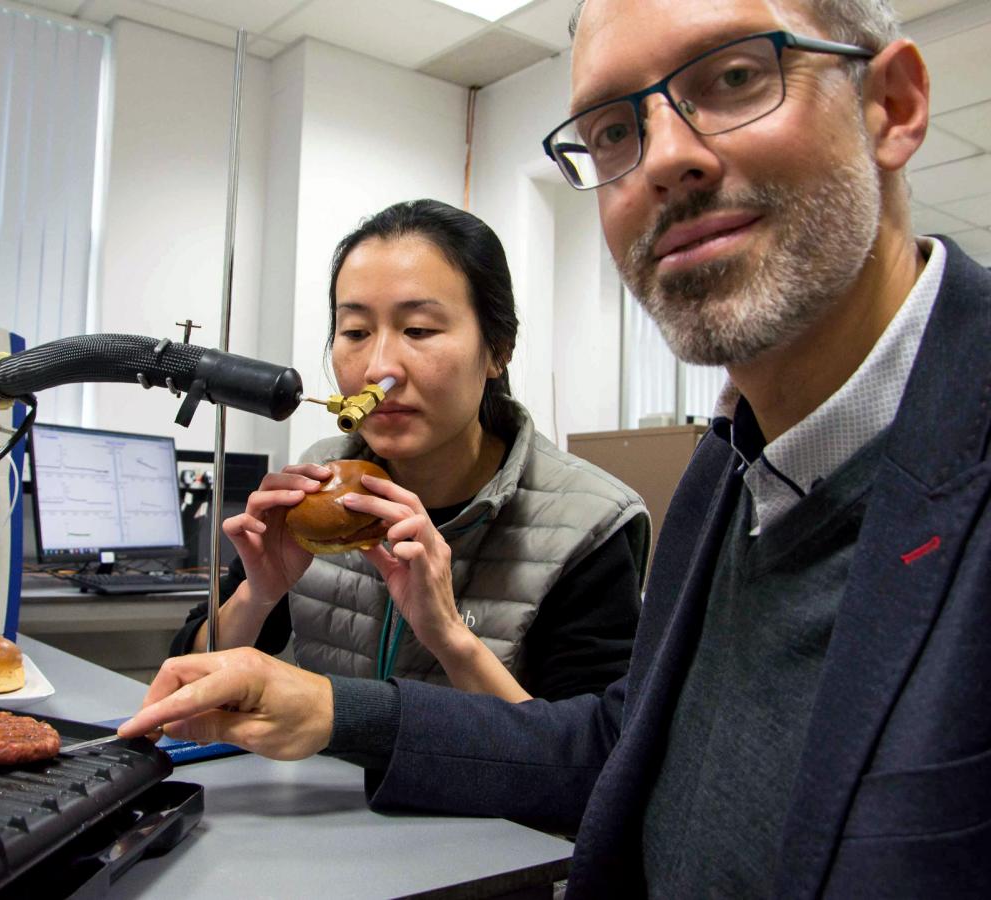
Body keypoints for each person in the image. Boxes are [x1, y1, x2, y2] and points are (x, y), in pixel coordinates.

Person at [121, 0, 991, 894]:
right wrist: (313, 674)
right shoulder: (730, 469)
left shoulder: (601, 516)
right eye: (614, 129)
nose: (665, 156)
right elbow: (625, 753)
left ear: (891, 103)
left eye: (734, 78)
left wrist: (445, 639)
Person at [170, 199, 650, 701]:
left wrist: (449, 637)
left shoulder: (587, 522)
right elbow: (190, 684)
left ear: (498, 348)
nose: (379, 368)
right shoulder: (319, 481)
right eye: (355, 332)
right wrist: (259, 593)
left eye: (418, 330)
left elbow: (591, 755)